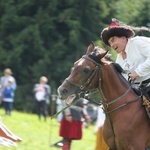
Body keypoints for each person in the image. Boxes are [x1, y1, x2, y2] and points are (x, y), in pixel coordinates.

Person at [101, 19, 150, 99]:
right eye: (109, 43)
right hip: (141, 91)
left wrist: (137, 72)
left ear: (123, 37)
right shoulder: (119, 59)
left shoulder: (138, 42)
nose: (112, 45)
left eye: (112, 40)